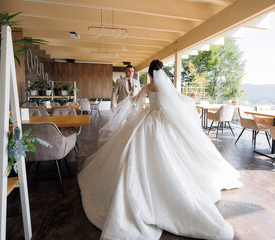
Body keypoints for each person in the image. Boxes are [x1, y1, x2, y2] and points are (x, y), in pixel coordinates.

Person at [78, 59, 242, 240]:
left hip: (147, 119)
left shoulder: (148, 86)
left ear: (149, 72)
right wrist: (191, 99)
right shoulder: (166, 85)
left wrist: (124, 107)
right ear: (161, 71)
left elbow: (135, 101)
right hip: (163, 120)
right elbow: (179, 99)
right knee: (173, 153)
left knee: (136, 149)